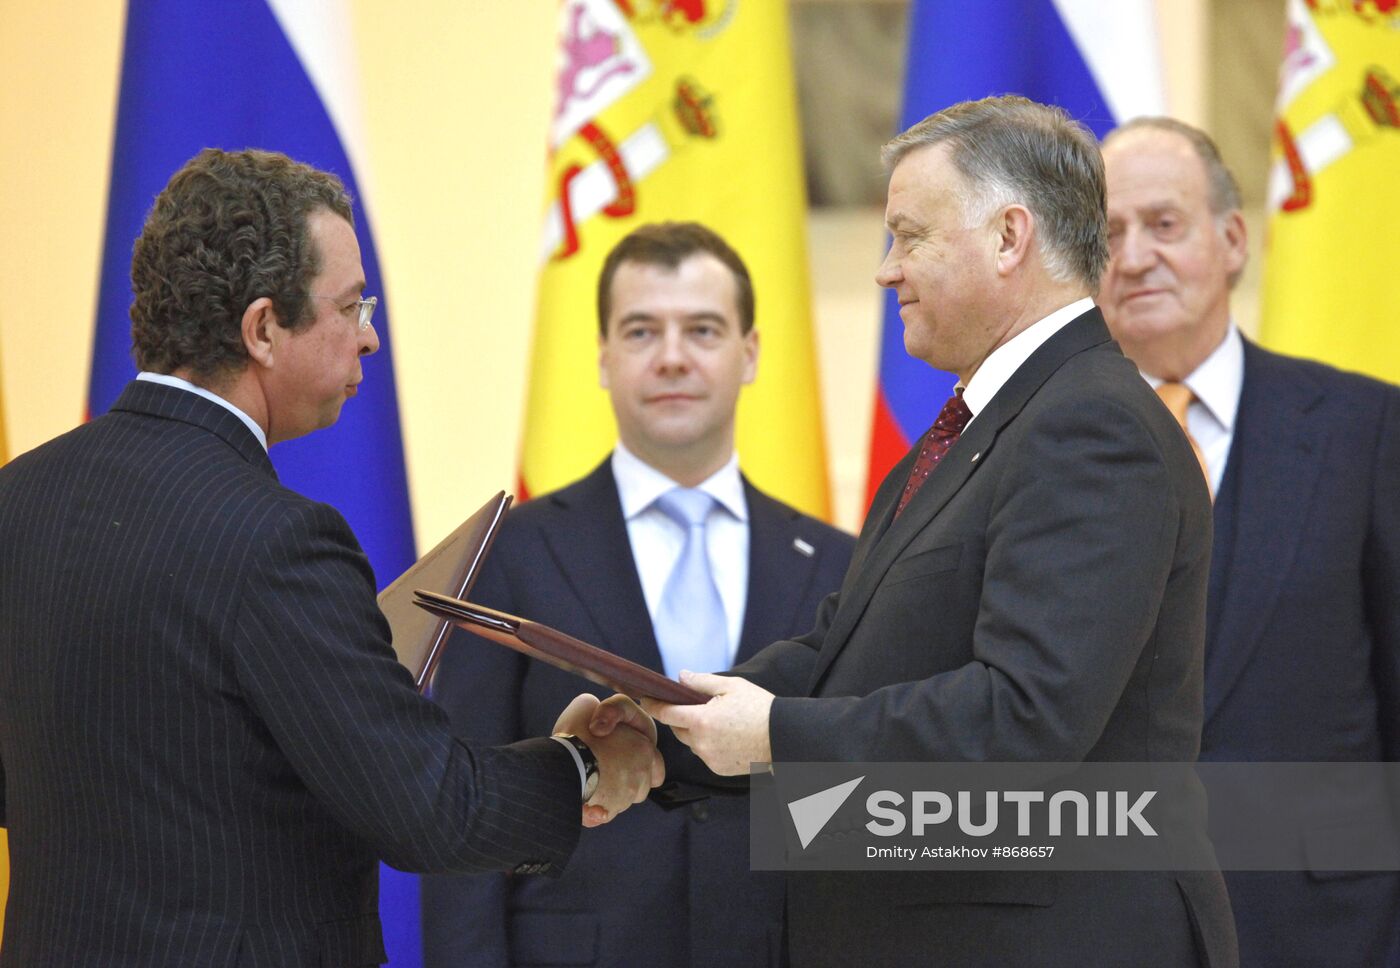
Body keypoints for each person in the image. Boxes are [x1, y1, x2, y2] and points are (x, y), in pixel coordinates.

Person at [0, 148, 663, 968]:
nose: (370, 337)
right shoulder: (276, 541)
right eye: (351, 307)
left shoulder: (16, 497)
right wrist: (588, 765)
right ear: (264, 328)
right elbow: (431, 813)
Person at [647, 96, 1239, 967]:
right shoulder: (976, 427)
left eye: (909, 235)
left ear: (1009, 237)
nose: (886, 270)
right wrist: (666, 723)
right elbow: (845, 651)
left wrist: (777, 734)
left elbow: (1023, 717)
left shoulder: (1091, 426)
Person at [421, 222, 855, 968]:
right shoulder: (511, 553)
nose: (674, 357)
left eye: (704, 329)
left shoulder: (839, 564)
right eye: (642, 330)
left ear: (750, 354)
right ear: (603, 356)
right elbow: (465, 807)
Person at [1098, 116, 1400, 968]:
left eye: (1164, 224)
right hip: (1112, 925)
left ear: (1233, 239)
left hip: (1332, 929)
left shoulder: (1364, 428)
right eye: (1109, 234)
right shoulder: (1038, 447)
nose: (1133, 256)